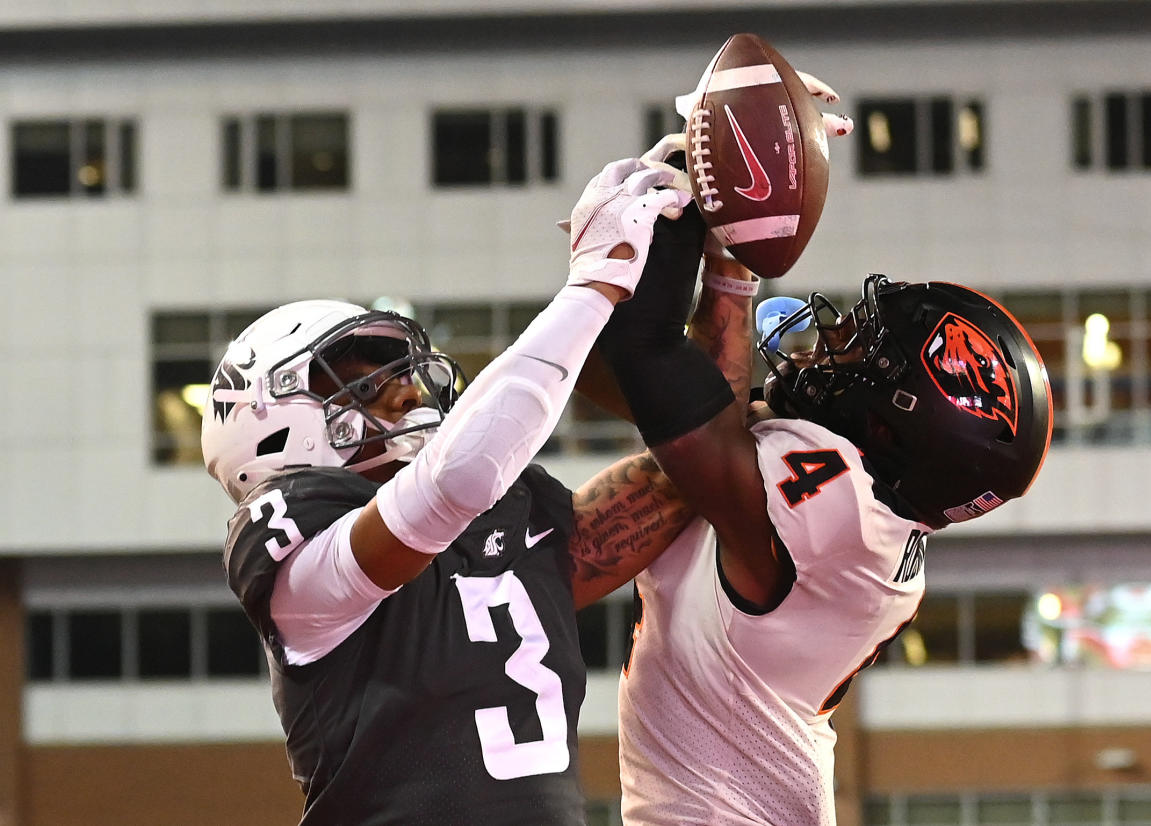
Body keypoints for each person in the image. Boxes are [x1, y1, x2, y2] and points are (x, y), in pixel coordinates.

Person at [200, 157, 708, 825]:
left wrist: (724, 269)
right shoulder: (298, 542)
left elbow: (696, 469)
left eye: (399, 371)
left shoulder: (509, 520)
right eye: (355, 377)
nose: (406, 390)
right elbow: (459, 478)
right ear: (266, 421)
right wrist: (594, 283)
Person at [597, 217, 1054, 824]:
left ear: (895, 424)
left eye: (864, 351)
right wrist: (723, 249)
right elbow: (636, 386)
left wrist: (716, 231)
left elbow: (646, 361)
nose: (828, 344)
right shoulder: (866, 518)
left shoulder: (841, 514)